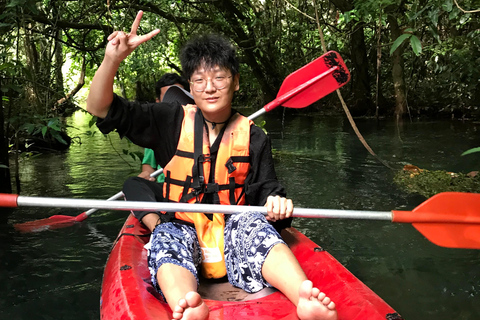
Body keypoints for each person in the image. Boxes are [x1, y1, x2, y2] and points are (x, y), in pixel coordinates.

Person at [86, 11, 337, 320]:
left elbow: (267, 194)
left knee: (254, 224)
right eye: (199, 80)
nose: (209, 87)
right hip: (183, 226)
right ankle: (187, 304)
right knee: (166, 235)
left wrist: (277, 204)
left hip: (233, 232)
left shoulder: (254, 137)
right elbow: (100, 108)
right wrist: (112, 59)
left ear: (236, 83)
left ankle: (302, 296)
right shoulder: (169, 120)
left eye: (219, 77)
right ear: (191, 86)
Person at [138, 73, 192, 182]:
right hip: (165, 186)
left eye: (179, 97)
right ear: (158, 102)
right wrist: (147, 175)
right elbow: (149, 167)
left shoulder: (202, 124)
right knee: (134, 184)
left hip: (193, 187)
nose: (175, 105)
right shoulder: (156, 131)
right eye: (169, 98)